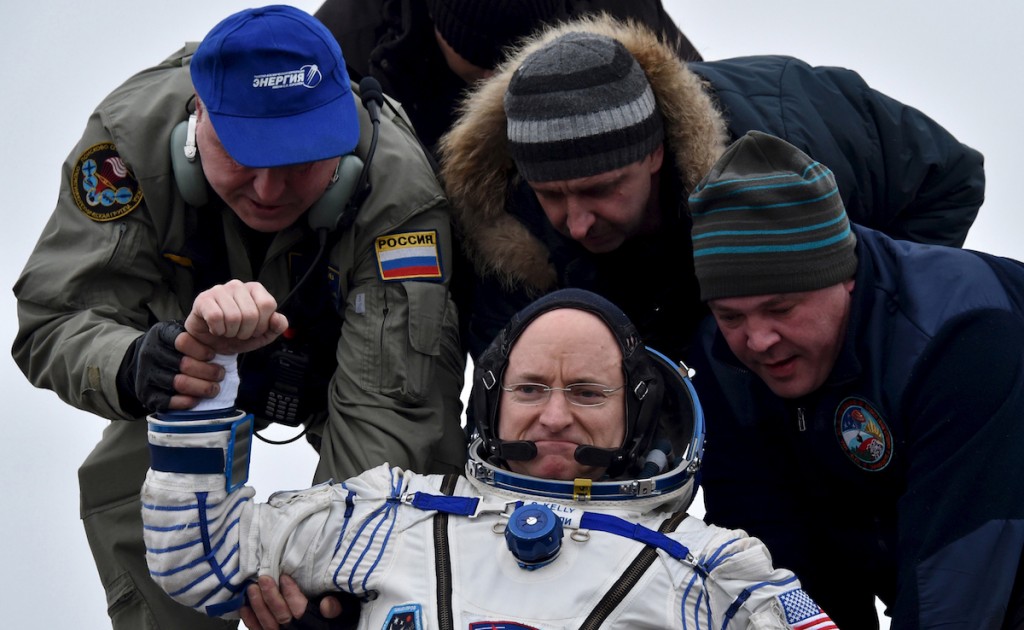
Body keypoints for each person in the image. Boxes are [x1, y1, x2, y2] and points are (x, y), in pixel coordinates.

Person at [11, 6, 465, 629]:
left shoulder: (397, 194)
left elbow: (397, 414)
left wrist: (340, 584)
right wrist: (133, 363)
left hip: (346, 365)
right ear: (196, 122)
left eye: (301, 163)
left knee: (381, 544)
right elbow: (58, 314)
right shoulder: (128, 145)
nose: (270, 191)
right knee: (130, 489)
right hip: (181, 369)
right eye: (244, 156)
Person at [139, 287, 839, 629]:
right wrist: (206, 387)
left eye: (588, 392)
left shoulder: (712, 566)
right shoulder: (390, 510)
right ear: (492, 404)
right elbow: (200, 557)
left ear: (637, 416)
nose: (555, 414)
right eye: (532, 388)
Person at [439, 15, 986, 361]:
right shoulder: (507, 225)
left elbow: (949, 178)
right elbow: (507, 378)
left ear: (655, 152)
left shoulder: (791, 123)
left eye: (600, 189)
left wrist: (863, 318)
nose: (577, 222)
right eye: (552, 195)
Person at [684, 130, 1024, 628]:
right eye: (731, 316)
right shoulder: (724, 358)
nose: (757, 340)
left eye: (780, 309)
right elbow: (767, 552)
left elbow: (961, 566)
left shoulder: (961, 334)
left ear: (844, 274)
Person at [312, 0, 701, 157]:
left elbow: (697, 109)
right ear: (439, 27)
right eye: (484, 68)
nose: (502, 85)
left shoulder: (619, 16)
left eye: (518, 63)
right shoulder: (345, 45)